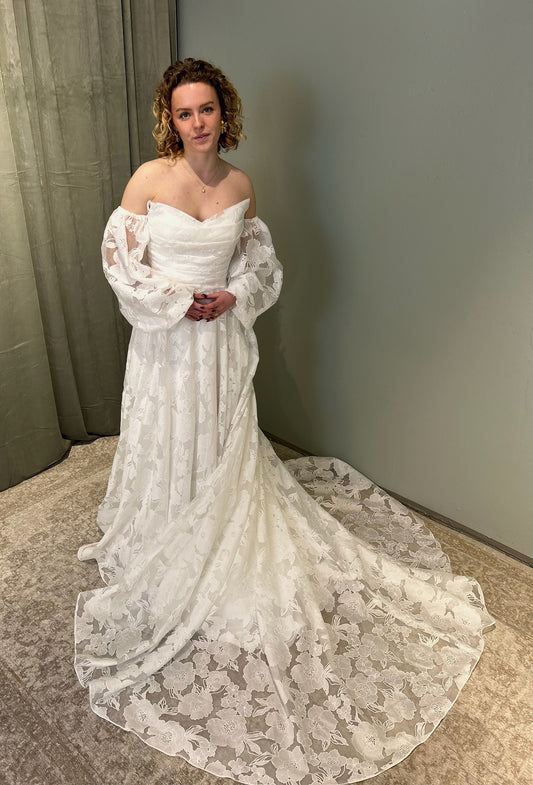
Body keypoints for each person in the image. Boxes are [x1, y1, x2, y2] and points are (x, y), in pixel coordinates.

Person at [75, 58, 493, 785]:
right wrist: (177, 301)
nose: (197, 123)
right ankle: (167, 527)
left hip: (221, 344)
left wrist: (232, 296)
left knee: (222, 445)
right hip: (168, 346)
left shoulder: (241, 186)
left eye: (207, 109)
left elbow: (259, 266)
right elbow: (120, 264)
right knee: (169, 440)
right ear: (169, 118)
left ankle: (216, 533)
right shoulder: (148, 180)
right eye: (184, 112)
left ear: (224, 113)